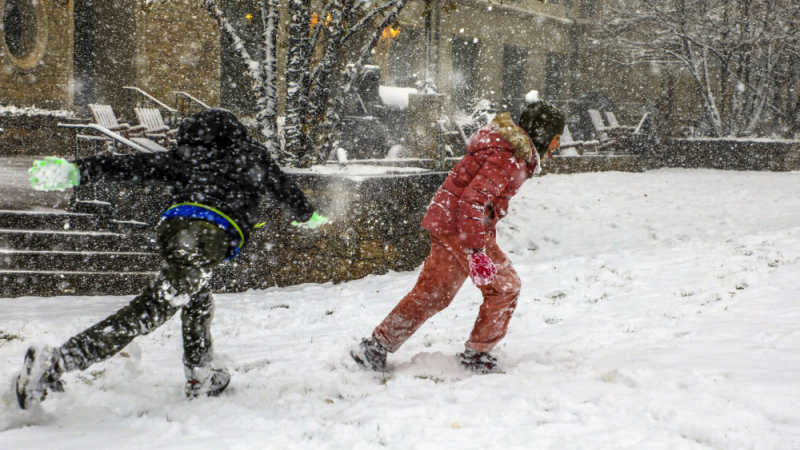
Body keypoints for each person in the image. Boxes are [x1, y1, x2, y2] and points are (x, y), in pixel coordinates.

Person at [15, 109, 328, 409]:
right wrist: (307, 214)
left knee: (196, 298)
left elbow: (133, 165)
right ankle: (58, 361)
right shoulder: (250, 156)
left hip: (173, 229)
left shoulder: (186, 157)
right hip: (210, 233)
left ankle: (201, 373)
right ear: (236, 134)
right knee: (156, 305)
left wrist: (78, 170)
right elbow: (283, 188)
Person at [351, 94, 565, 374]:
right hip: (461, 226)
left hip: (447, 220)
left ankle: (375, 347)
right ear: (545, 133)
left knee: (434, 293)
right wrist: (477, 252)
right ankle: (477, 355)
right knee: (505, 287)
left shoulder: (509, 152)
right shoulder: (509, 158)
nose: (558, 144)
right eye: (557, 137)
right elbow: (473, 201)